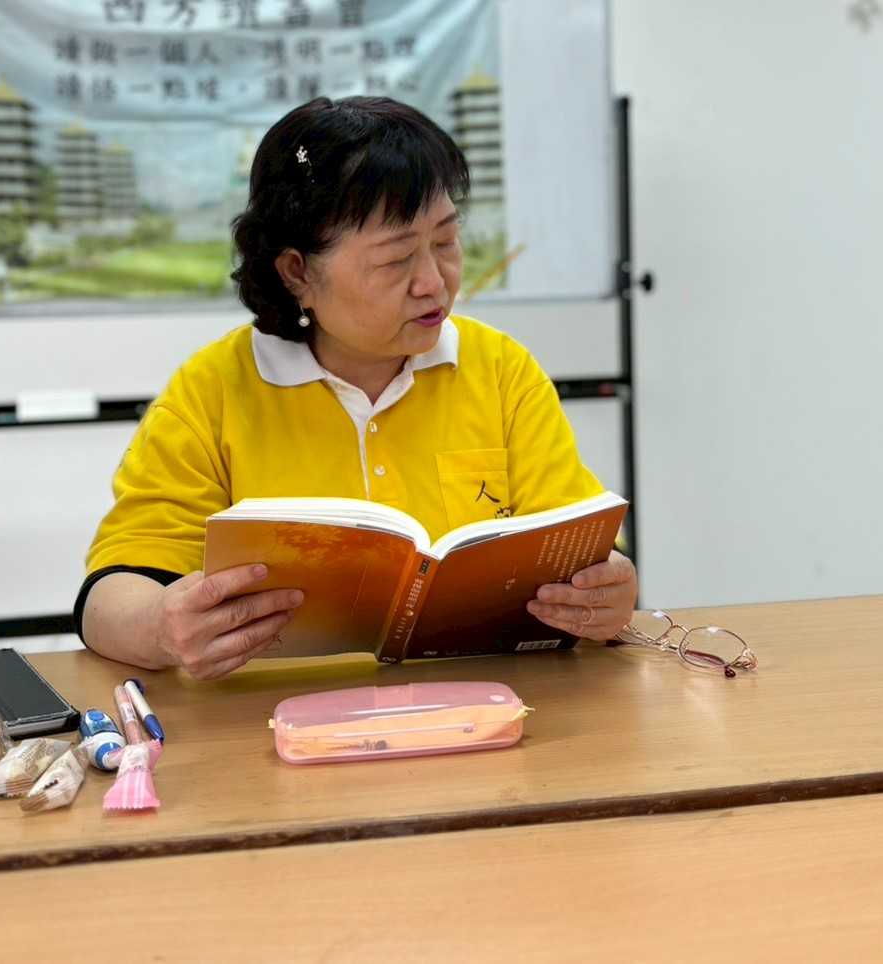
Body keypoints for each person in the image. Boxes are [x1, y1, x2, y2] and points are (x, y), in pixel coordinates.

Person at [77, 96, 637, 679]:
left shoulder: (499, 368)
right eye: (396, 260)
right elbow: (109, 595)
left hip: (480, 706)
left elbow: (580, 546)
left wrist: (608, 592)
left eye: (446, 242)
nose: (434, 283)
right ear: (297, 271)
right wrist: (161, 627)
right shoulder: (214, 391)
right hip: (277, 718)